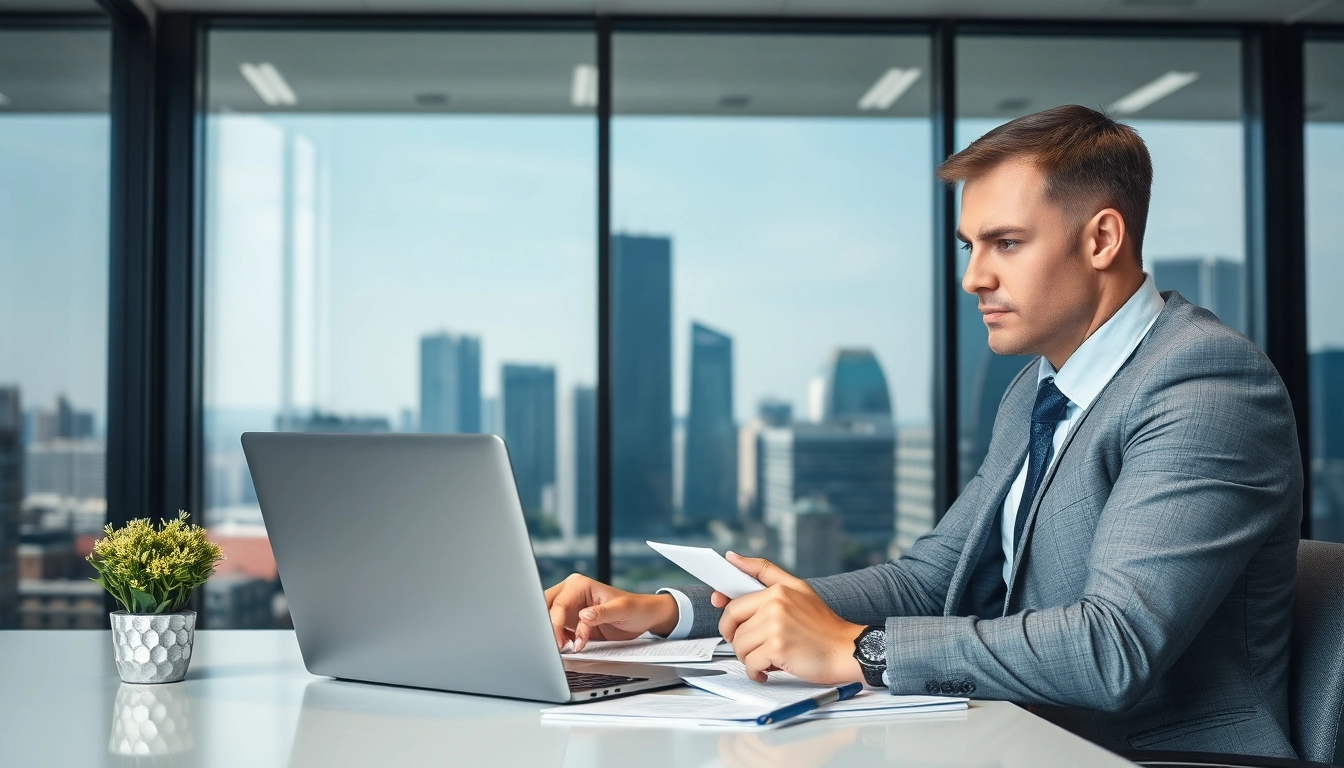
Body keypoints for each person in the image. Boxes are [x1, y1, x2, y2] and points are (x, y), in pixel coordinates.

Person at [544, 105, 1302, 760]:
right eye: (970, 248)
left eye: (1005, 243)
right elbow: (931, 582)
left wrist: (856, 649)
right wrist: (669, 612)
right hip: (1018, 735)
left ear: (1101, 239)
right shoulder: (1041, 389)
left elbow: (1114, 648)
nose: (974, 278)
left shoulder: (1204, 384)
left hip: (1160, 754)